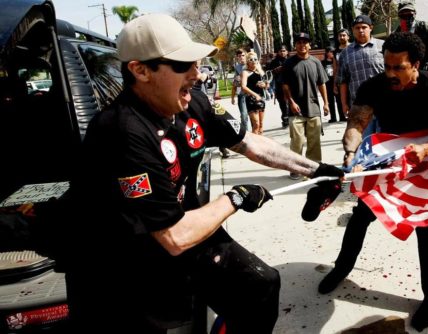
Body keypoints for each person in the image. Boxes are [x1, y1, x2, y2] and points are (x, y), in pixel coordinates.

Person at [62, 13, 344, 334]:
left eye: (196, 63)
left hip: (178, 226)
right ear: (140, 70)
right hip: (121, 261)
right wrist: (235, 198)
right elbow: (174, 237)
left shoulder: (192, 102)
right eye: (183, 66)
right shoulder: (124, 132)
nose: (197, 74)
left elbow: (248, 142)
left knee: (260, 285)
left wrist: (316, 169)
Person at [318, 32, 428, 332]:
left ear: (417, 65)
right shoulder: (375, 86)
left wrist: (425, 149)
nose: (390, 74)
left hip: (425, 158)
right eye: (387, 66)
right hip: (389, 156)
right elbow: (356, 123)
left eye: (398, 67)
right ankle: (341, 269)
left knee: (426, 226)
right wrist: (349, 152)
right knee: (361, 215)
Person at [282, 32, 330, 180]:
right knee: (297, 141)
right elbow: (285, 86)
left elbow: (321, 83)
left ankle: (313, 167)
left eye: (305, 42)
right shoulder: (288, 63)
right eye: (299, 42)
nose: (302, 45)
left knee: (314, 140)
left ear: (309, 45)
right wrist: (291, 102)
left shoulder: (316, 62)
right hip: (295, 109)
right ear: (295, 45)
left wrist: (326, 103)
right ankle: (295, 168)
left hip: (314, 107)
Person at [336, 15, 384, 136]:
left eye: (364, 27)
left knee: (384, 142)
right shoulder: (345, 53)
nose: (361, 30)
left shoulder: (383, 47)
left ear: (371, 28)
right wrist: (344, 104)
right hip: (359, 107)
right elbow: (343, 81)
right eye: (357, 28)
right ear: (353, 30)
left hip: (384, 104)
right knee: (364, 143)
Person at [395, 1, 428, 71]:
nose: (406, 18)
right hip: (409, 70)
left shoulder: (425, 27)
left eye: (409, 15)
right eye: (403, 15)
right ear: (399, 16)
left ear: (415, 13)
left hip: (427, 69)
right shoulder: (397, 33)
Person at [241, 51, 268, 135]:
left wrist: (264, 85)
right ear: (247, 61)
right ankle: (255, 144)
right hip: (251, 99)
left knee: (261, 125)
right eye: (251, 59)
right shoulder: (245, 72)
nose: (253, 61)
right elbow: (243, 87)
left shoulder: (260, 72)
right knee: (256, 124)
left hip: (261, 98)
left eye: (255, 59)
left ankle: (260, 143)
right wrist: (255, 94)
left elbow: (267, 85)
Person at [268, 45, 289, 128]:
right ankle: (285, 119)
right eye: (281, 51)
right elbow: (269, 73)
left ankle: (292, 117)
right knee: (283, 104)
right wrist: (276, 70)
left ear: (287, 52)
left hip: (291, 85)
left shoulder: (291, 60)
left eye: (284, 51)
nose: (282, 52)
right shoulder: (274, 62)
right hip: (279, 86)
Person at [332, 29, 350, 122]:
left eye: (344, 35)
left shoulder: (353, 48)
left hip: (352, 80)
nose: (342, 37)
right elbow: (335, 68)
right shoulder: (335, 52)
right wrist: (334, 84)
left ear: (348, 37)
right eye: (340, 35)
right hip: (341, 81)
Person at [231, 49, 250, 131]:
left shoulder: (251, 64)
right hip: (242, 94)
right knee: (244, 115)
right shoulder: (237, 67)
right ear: (237, 57)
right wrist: (232, 97)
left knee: (254, 117)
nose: (241, 57)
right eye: (239, 56)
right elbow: (235, 83)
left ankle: (256, 134)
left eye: (243, 55)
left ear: (246, 56)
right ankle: (247, 133)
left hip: (252, 93)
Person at [323, 46, 339, 123]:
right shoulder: (323, 62)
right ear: (327, 53)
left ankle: (342, 116)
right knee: (330, 101)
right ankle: (333, 117)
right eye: (331, 52)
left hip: (336, 82)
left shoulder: (336, 61)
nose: (332, 53)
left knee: (339, 100)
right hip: (327, 83)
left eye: (333, 52)